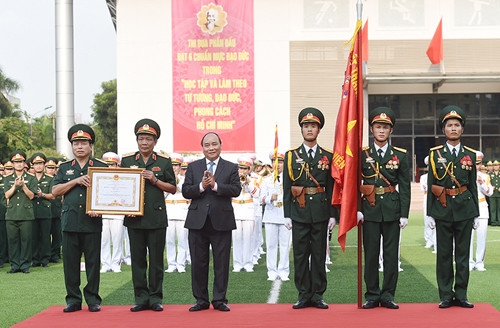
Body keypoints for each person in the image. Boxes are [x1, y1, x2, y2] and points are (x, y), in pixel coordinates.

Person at [283, 107, 337, 309]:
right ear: (301, 129)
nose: (309, 129)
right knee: (300, 255)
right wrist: (287, 215)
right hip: (299, 211)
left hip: (321, 211)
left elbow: (331, 187)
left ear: (319, 129)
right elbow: (287, 187)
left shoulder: (328, 156)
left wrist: (333, 214)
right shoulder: (290, 156)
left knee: (319, 254)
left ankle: (318, 295)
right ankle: (303, 294)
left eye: (313, 126)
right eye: (306, 126)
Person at [121, 119, 176, 312]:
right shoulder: (127, 161)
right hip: (134, 218)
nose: (144, 142)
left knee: (156, 261)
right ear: (137, 140)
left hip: (156, 218)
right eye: (141, 138)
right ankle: (140, 298)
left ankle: (155, 298)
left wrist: (155, 180)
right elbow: (119, 187)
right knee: (137, 260)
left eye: (148, 139)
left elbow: (173, 187)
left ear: (155, 141)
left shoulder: (163, 161)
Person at [357, 107, 410, 310]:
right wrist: (357, 208)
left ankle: (388, 295)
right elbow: (354, 181)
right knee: (370, 255)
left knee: (390, 256)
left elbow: (405, 186)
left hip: (391, 209)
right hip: (369, 209)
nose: (381, 130)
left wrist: (404, 213)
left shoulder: (400, 155)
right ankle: (371, 295)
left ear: (391, 131)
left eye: (385, 127)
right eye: (378, 127)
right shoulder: (362, 154)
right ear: (372, 129)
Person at [427, 105, 479, 309]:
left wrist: (476, 212)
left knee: (463, 255)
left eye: (457, 125)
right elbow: (431, 185)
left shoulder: (471, 155)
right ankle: (446, 295)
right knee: (444, 255)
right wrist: (430, 213)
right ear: (444, 130)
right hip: (442, 208)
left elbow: (473, 185)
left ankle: (462, 294)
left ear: (462, 129)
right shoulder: (434, 154)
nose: (454, 128)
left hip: (465, 210)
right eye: (449, 125)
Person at [182, 132, 240, 312]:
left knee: (221, 262)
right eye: (207, 145)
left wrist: (215, 186)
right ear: (202, 147)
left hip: (221, 220)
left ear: (221, 145)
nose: (211, 148)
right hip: (197, 221)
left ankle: (220, 299)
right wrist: (201, 186)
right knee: (198, 262)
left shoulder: (231, 167)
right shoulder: (193, 167)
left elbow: (236, 189)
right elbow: (185, 191)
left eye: (214, 144)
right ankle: (201, 300)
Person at [52, 124, 107, 312]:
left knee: (93, 262)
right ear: (72, 146)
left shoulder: (101, 166)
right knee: (70, 263)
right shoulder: (65, 168)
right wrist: (75, 181)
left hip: (92, 221)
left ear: (91, 146)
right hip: (70, 222)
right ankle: (73, 300)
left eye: (84, 143)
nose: (80, 147)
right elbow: (55, 191)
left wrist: (101, 208)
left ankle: (93, 299)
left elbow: (108, 194)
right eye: (76, 143)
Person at [4, 150, 37, 274]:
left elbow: (32, 196)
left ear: (24, 163)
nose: (18, 164)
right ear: (12, 164)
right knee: (12, 241)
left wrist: (23, 186)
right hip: (12, 214)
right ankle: (14, 265)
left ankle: (24, 265)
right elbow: (7, 195)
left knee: (26, 240)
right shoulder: (7, 179)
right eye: (16, 162)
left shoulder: (31, 178)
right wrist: (15, 185)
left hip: (26, 214)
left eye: (21, 162)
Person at [260, 150, 291, 281]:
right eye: (274, 161)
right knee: (271, 245)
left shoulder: (290, 179)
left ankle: (284, 271)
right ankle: (271, 271)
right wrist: (268, 198)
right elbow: (260, 198)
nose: (277, 165)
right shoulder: (266, 180)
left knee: (285, 245)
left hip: (285, 215)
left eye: (280, 162)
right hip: (271, 214)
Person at [231, 155, 258, 273]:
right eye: (240, 168)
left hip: (248, 210)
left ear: (248, 170)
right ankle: (237, 263)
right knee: (236, 238)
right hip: (236, 209)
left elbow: (257, 194)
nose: (242, 171)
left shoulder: (254, 180)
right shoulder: (232, 179)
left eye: (244, 169)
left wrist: (248, 183)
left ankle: (248, 263)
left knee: (248, 238)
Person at [100, 152, 125, 273]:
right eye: (108, 165)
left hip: (118, 213)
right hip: (103, 213)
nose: (110, 167)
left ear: (117, 165)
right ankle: (105, 263)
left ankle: (116, 263)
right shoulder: (100, 178)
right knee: (104, 240)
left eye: (112, 165)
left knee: (117, 239)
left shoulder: (122, 179)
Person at [165, 153, 189, 273]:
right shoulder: (166, 180)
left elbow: (186, 194)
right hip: (169, 212)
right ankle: (171, 264)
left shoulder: (185, 180)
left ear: (180, 167)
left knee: (182, 241)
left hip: (181, 213)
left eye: (177, 165)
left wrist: (177, 181)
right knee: (169, 240)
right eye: (172, 165)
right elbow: (163, 195)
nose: (174, 168)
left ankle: (181, 264)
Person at [469, 151, 493, 271]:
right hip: (468, 209)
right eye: (475, 163)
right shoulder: (465, 175)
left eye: (478, 163)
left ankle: (479, 262)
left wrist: (481, 183)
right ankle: (469, 262)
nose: (477, 166)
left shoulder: (485, 176)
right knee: (468, 238)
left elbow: (490, 192)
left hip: (482, 208)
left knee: (481, 237)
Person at [31, 153, 55, 268]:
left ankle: (45, 259)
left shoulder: (50, 179)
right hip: (32, 211)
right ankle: (35, 259)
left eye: (40, 164)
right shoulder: (29, 178)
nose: (38, 166)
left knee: (45, 236)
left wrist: (42, 194)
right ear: (33, 166)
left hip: (45, 210)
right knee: (34, 236)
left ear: (44, 165)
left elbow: (53, 195)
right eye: (36, 164)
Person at [45, 158, 63, 263]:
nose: (51, 170)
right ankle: (46, 254)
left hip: (57, 211)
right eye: (49, 168)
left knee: (57, 235)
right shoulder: (41, 179)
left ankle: (55, 255)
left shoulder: (59, 180)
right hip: (46, 211)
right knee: (46, 235)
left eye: (53, 168)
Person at [420, 156, 436, 251]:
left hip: (437, 197)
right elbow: (423, 188)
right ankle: (428, 240)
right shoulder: (424, 177)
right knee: (427, 220)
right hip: (427, 197)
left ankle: (436, 241)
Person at [489, 160, 500, 226]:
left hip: (499, 194)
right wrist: (490, 187)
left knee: (499, 208)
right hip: (492, 194)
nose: (496, 167)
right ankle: (493, 221)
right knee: (492, 208)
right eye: (494, 165)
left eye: (497, 165)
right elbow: (487, 183)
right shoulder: (489, 174)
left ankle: (499, 221)